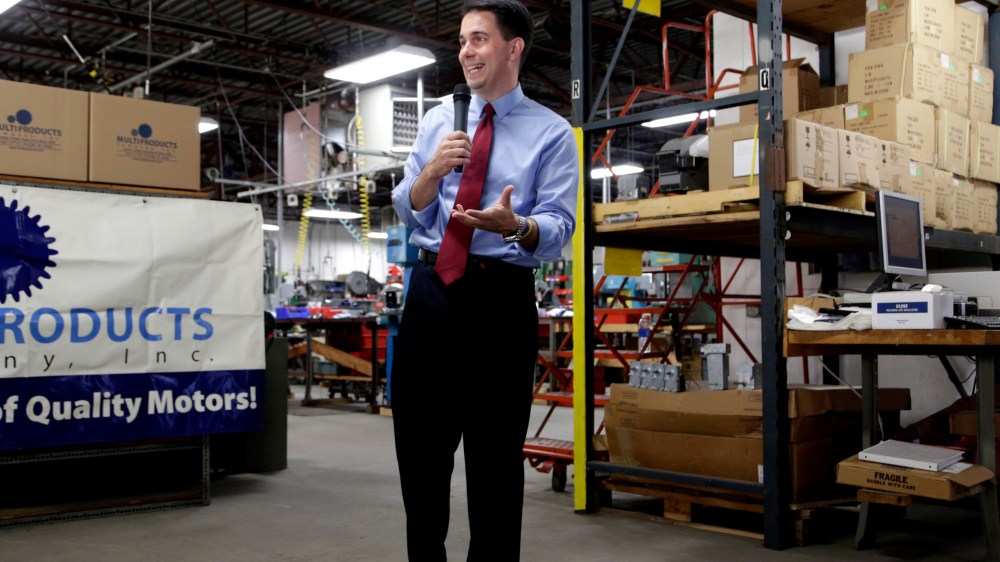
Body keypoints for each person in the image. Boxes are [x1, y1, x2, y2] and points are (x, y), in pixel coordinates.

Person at [389, 1, 579, 559]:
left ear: (513, 47)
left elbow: (559, 225)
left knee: (495, 466)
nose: (466, 51)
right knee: (420, 459)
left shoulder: (552, 132)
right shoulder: (436, 121)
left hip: (499, 301)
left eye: (479, 40)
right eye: (463, 41)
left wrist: (515, 226)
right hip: (431, 297)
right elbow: (407, 208)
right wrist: (428, 174)